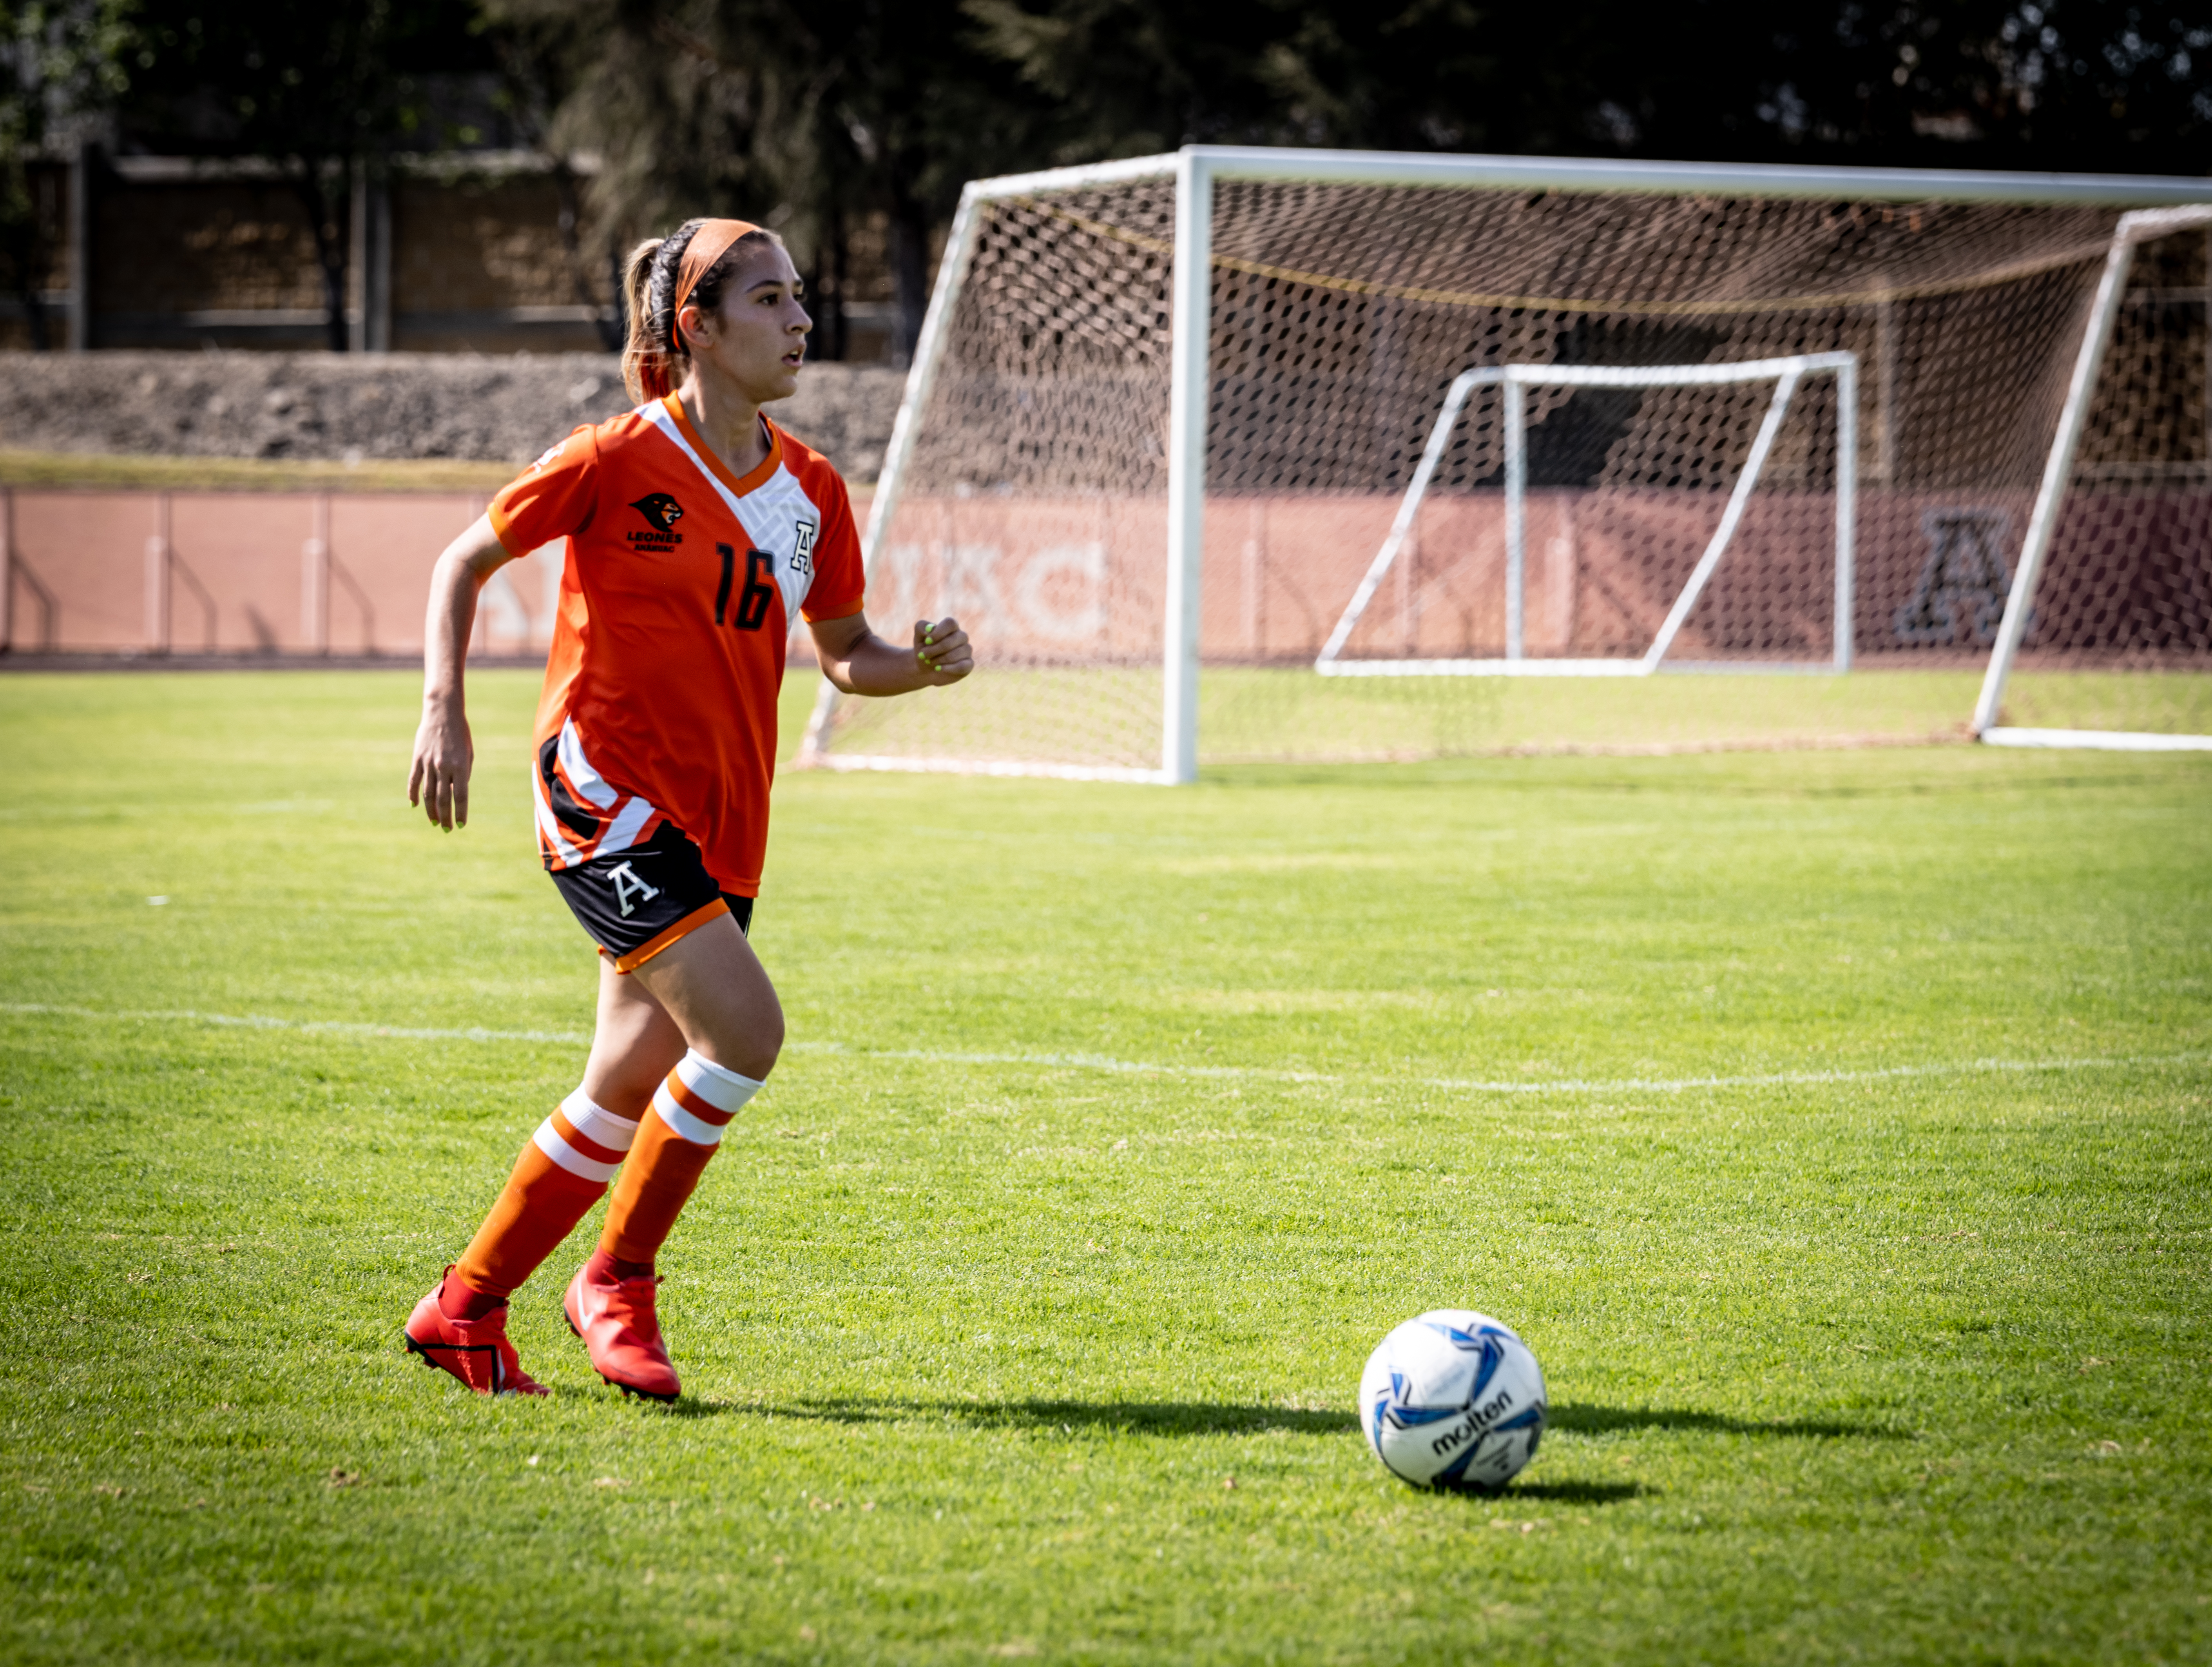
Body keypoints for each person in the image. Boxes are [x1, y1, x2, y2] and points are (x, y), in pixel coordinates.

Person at [399, 217, 971, 1400]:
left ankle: (463, 1309)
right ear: (695, 328)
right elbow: (463, 563)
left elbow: (848, 651)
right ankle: (617, 1281)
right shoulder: (614, 457)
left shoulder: (811, 490)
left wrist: (923, 664)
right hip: (601, 794)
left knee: (626, 1077)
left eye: (802, 297)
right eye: (770, 301)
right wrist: (442, 710)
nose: (802, 320)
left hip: (725, 822)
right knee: (745, 1034)